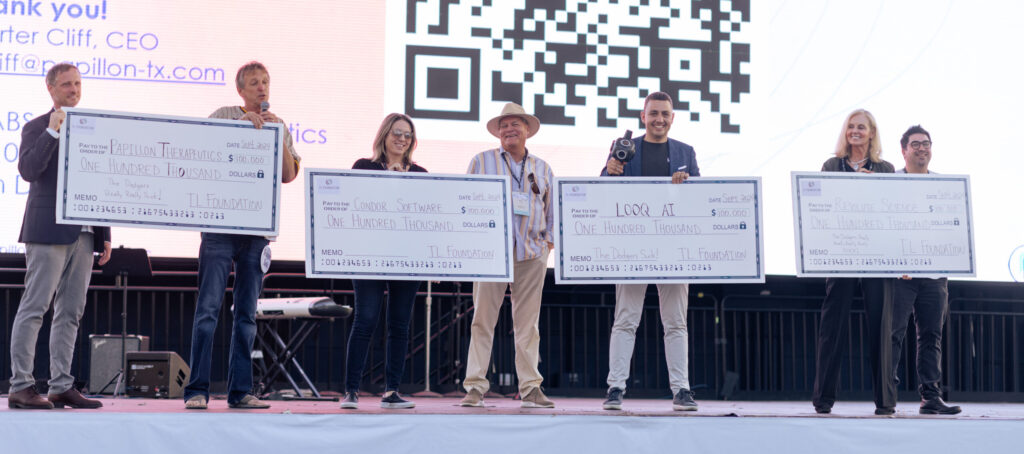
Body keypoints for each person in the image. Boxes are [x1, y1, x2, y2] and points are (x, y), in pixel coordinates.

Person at [183, 61, 300, 410]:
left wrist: (277, 136)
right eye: (254, 83)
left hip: (256, 231)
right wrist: (240, 125)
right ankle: (197, 390)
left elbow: (289, 175)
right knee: (208, 310)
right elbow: (202, 151)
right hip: (220, 227)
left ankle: (241, 391)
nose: (262, 88)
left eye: (265, 81)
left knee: (247, 315)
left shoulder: (279, 123)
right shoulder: (223, 115)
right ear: (240, 90)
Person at [8, 63, 111, 410]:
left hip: (84, 232)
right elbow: (28, 170)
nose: (73, 89)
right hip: (47, 230)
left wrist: (104, 231)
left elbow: (101, 180)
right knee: (35, 307)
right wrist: (52, 133)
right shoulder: (36, 126)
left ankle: (61, 386)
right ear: (51, 89)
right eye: (66, 84)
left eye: (77, 83)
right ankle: (21, 386)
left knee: (71, 311)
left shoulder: (93, 127)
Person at [599, 91, 700, 411]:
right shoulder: (625, 147)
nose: (659, 119)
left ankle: (682, 390)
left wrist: (687, 184)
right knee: (625, 319)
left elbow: (700, 198)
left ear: (673, 118)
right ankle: (615, 387)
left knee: (676, 322)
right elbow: (601, 191)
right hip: (633, 247)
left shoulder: (686, 152)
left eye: (664, 114)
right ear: (643, 117)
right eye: (653, 113)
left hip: (674, 248)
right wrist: (610, 171)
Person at [460, 103, 555, 408]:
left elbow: (552, 210)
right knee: (482, 321)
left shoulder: (542, 167)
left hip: (532, 253)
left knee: (528, 325)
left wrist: (548, 244)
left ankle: (530, 388)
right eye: (504, 125)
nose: (508, 130)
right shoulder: (481, 161)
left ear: (527, 130)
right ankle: (475, 387)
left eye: (515, 124)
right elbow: (466, 202)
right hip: (491, 254)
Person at [811, 109, 897, 415]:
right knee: (832, 327)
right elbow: (821, 205)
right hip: (842, 253)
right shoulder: (831, 165)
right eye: (851, 126)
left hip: (876, 256)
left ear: (872, 133)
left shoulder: (885, 169)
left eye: (861, 127)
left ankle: (885, 402)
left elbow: (892, 212)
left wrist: (875, 187)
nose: (855, 131)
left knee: (881, 327)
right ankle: (823, 400)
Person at [339, 114, 426, 410]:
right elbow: (353, 205)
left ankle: (391, 391)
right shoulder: (363, 167)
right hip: (369, 256)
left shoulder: (421, 174)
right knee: (365, 320)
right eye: (397, 133)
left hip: (407, 258)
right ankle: (351, 391)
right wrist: (389, 180)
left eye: (408, 135)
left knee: (399, 325)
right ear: (384, 135)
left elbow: (426, 218)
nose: (402, 139)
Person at [890, 125, 961, 415]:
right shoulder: (889, 182)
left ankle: (931, 397)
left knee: (931, 336)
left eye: (926, 143)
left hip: (934, 275)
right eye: (916, 144)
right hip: (900, 275)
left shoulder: (943, 186)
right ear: (903, 150)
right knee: (893, 335)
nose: (922, 148)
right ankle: (886, 397)